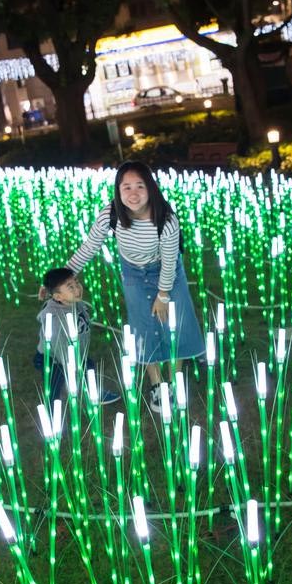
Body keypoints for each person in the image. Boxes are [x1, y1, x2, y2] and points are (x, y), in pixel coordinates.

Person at [67, 161, 205, 413]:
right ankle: (157, 384)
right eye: (126, 187)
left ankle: (174, 381)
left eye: (140, 186)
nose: (133, 193)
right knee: (144, 323)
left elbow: (170, 259)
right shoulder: (111, 215)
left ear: (150, 188)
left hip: (167, 268)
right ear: (118, 191)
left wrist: (163, 295)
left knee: (176, 321)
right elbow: (89, 247)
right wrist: (64, 276)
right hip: (132, 270)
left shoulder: (165, 219)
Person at [34, 267, 120, 405]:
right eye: (70, 287)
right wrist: (70, 365)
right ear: (58, 296)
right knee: (54, 383)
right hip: (52, 358)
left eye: (76, 283)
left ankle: (95, 394)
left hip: (76, 353)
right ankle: (53, 415)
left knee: (88, 366)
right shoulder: (54, 317)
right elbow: (58, 344)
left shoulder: (76, 303)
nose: (77, 289)